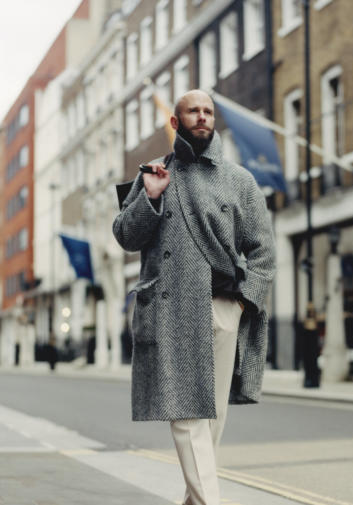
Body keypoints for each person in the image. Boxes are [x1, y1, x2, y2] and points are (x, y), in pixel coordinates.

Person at [112, 89, 276, 505]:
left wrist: (242, 303)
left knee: (212, 418)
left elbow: (263, 251)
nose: (201, 117)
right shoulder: (153, 173)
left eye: (207, 111)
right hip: (170, 308)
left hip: (222, 308)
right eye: (193, 111)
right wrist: (149, 196)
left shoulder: (240, 180)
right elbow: (125, 237)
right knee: (187, 416)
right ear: (176, 122)